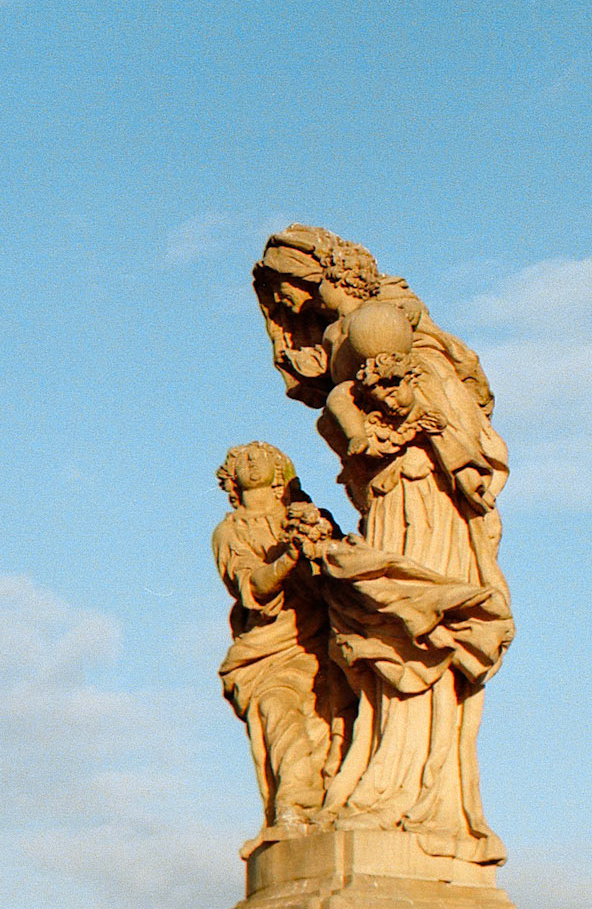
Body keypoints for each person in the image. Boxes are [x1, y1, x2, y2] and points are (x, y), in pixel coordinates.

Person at [253, 229, 514, 861]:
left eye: (287, 288)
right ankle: (375, 777)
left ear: (320, 274)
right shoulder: (357, 338)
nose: (286, 308)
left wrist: (423, 439)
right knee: (376, 628)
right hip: (389, 495)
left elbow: (452, 425)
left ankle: (418, 795)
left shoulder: (391, 330)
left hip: (425, 494)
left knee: (412, 625)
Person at [211, 441, 347, 840]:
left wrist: (319, 538)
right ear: (232, 476)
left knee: (326, 725)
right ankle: (292, 804)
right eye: (243, 460)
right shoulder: (230, 532)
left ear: (279, 471)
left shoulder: (306, 515)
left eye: (262, 458)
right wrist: (289, 557)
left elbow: (340, 567)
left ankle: (325, 808)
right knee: (278, 711)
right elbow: (251, 585)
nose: (253, 463)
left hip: (320, 639)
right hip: (268, 649)